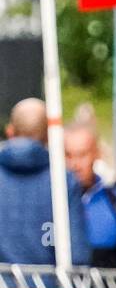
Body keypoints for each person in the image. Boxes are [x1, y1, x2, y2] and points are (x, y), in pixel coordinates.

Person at [0, 98, 90, 266]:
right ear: (49, 135)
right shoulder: (62, 179)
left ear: (10, 131)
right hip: (47, 287)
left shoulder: (63, 178)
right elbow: (76, 252)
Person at [64, 118, 105, 195]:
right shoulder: (50, 198)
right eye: (68, 155)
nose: (74, 164)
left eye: (82, 155)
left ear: (97, 154)